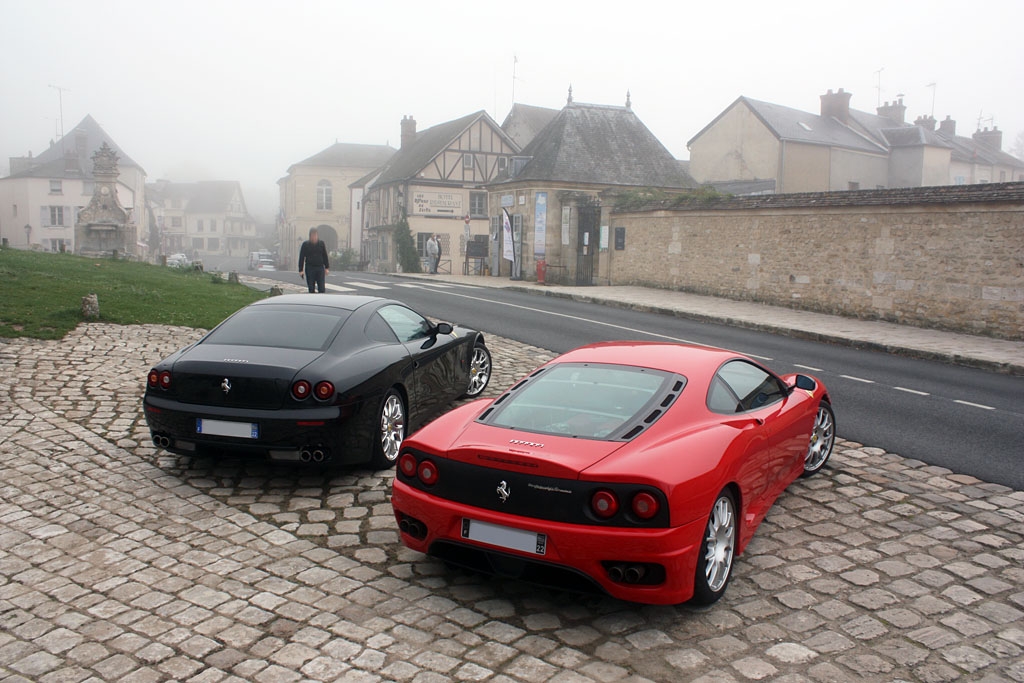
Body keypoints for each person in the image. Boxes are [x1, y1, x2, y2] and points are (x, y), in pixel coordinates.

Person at [298, 227, 330, 293]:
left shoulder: (321, 244)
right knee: (311, 287)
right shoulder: (305, 245)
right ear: (310, 236)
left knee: (321, 288)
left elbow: (324, 255)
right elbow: (301, 257)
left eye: (315, 235)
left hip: (320, 267)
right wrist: (301, 270)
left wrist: (326, 267)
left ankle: (321, 301)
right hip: (310, 268)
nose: (314, 237)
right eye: (313, 235)